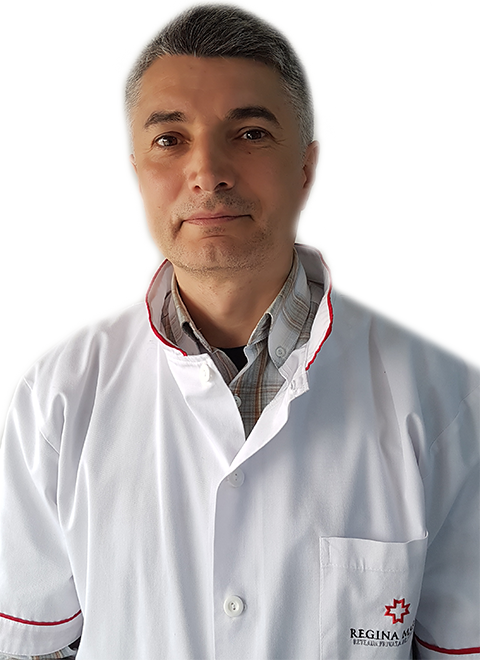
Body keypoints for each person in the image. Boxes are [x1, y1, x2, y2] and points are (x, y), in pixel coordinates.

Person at [0, 2, 479, 658]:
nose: (208, 172)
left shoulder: (449, 398)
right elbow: (35, 644)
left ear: (307, 167)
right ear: (136, 171)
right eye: (170, 139)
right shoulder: (55, 398)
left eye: (250, 133)